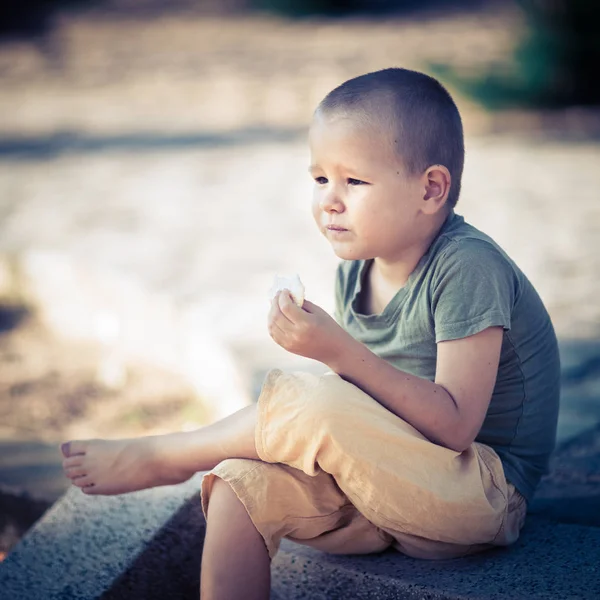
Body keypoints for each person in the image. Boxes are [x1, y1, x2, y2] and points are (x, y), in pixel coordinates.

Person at [60, 67, 561, 600]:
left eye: (355, 181)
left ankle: (169, 456)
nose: (330, 201)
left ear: (431, 189)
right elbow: (365, 412)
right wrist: (330, 367)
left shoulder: (466, 267)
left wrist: (337, 353)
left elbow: (456, 426)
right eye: (320, 178)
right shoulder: (357, 267)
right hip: (389, 493)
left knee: (315, 398)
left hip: (476, 497)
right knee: (237, 484)